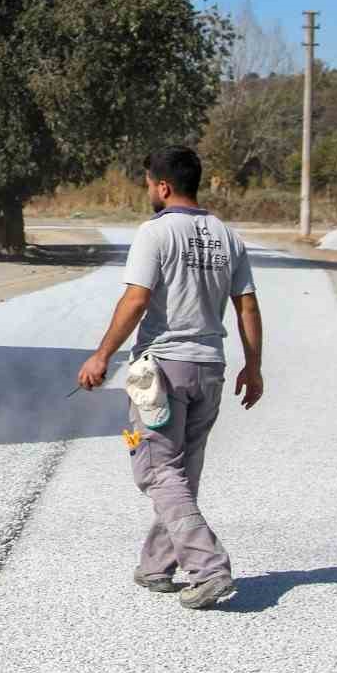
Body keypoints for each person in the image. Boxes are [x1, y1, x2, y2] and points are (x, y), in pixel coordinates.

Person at [76, 146, 264, 610]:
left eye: (148, 184)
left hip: (161, 370)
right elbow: (248, 307)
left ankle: (209, 568)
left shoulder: (155, 233)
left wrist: (102, 355)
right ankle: (157, 566)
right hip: (210, 370)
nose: (148, 192)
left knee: (156, 469)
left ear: (162, 186)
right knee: (181, 470)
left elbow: (137, 300)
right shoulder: (228, 236)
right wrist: (254, 366)